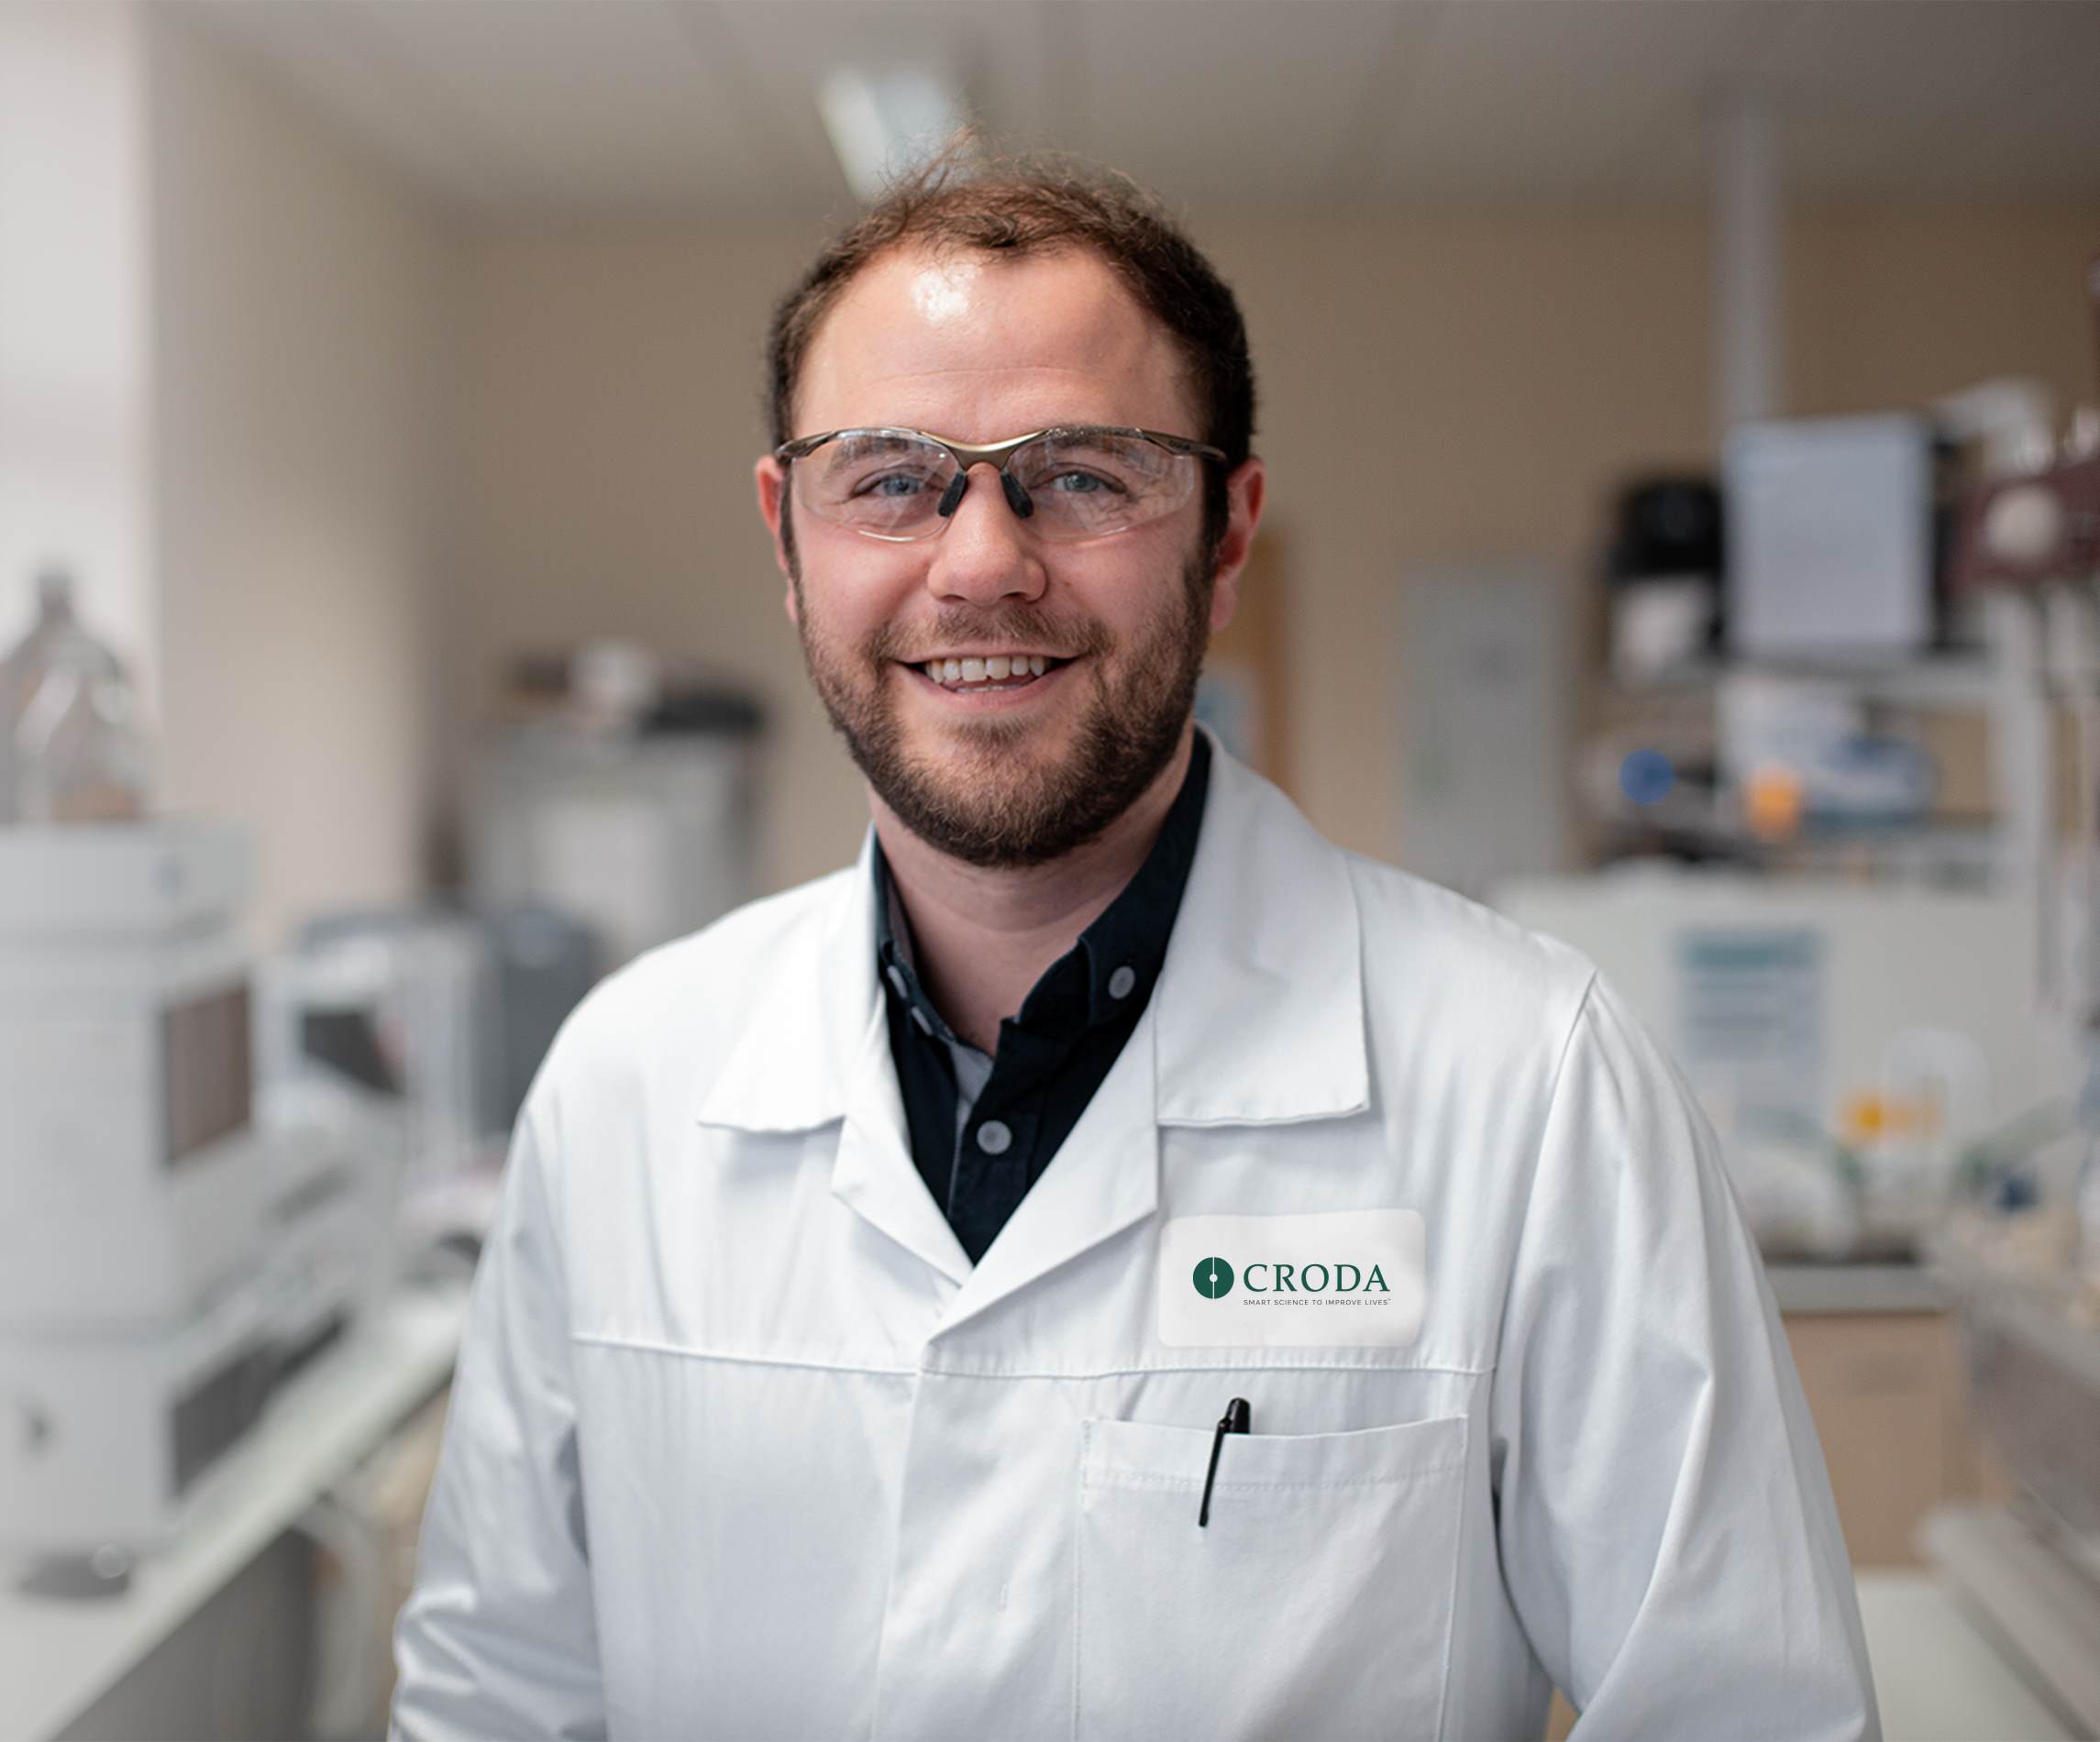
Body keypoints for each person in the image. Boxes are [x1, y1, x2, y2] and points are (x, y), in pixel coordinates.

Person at [392, 150, 1878, 1740]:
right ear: (787, 533)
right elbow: (498, 1698)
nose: (979, 562)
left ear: (1225, 533)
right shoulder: (629, 1082)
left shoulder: (1526, 1084)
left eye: (1085, 475)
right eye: (891, 477)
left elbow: (1742, 1712)